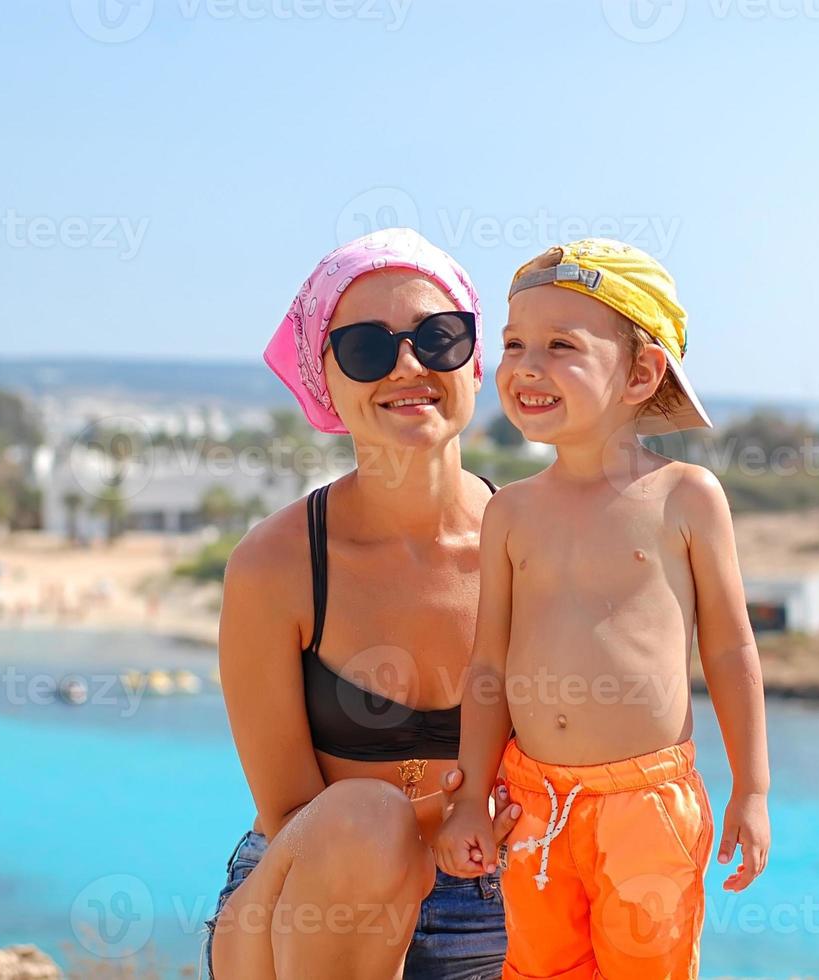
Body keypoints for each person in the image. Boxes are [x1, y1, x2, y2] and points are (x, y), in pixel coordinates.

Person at [434, 239, 772, 979]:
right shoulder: (512, 513)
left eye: (561, 346)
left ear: (642, 373)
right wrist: (468, 797)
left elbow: (729, 650)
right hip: (532, 803)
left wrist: (752, 787)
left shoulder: (685, 496)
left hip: (646, 807)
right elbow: (488, 663)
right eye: (515, 343)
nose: (528, 365)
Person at [205, 228, 519, 979]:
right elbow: (290, 813)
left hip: (502, 901)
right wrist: (439, 820)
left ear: (475, 360)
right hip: (314, 911)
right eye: (367, 350)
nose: (408, 364)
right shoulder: (277, 565)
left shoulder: (536, 546)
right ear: (326, 382)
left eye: (439, 337)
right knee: (363, 818)